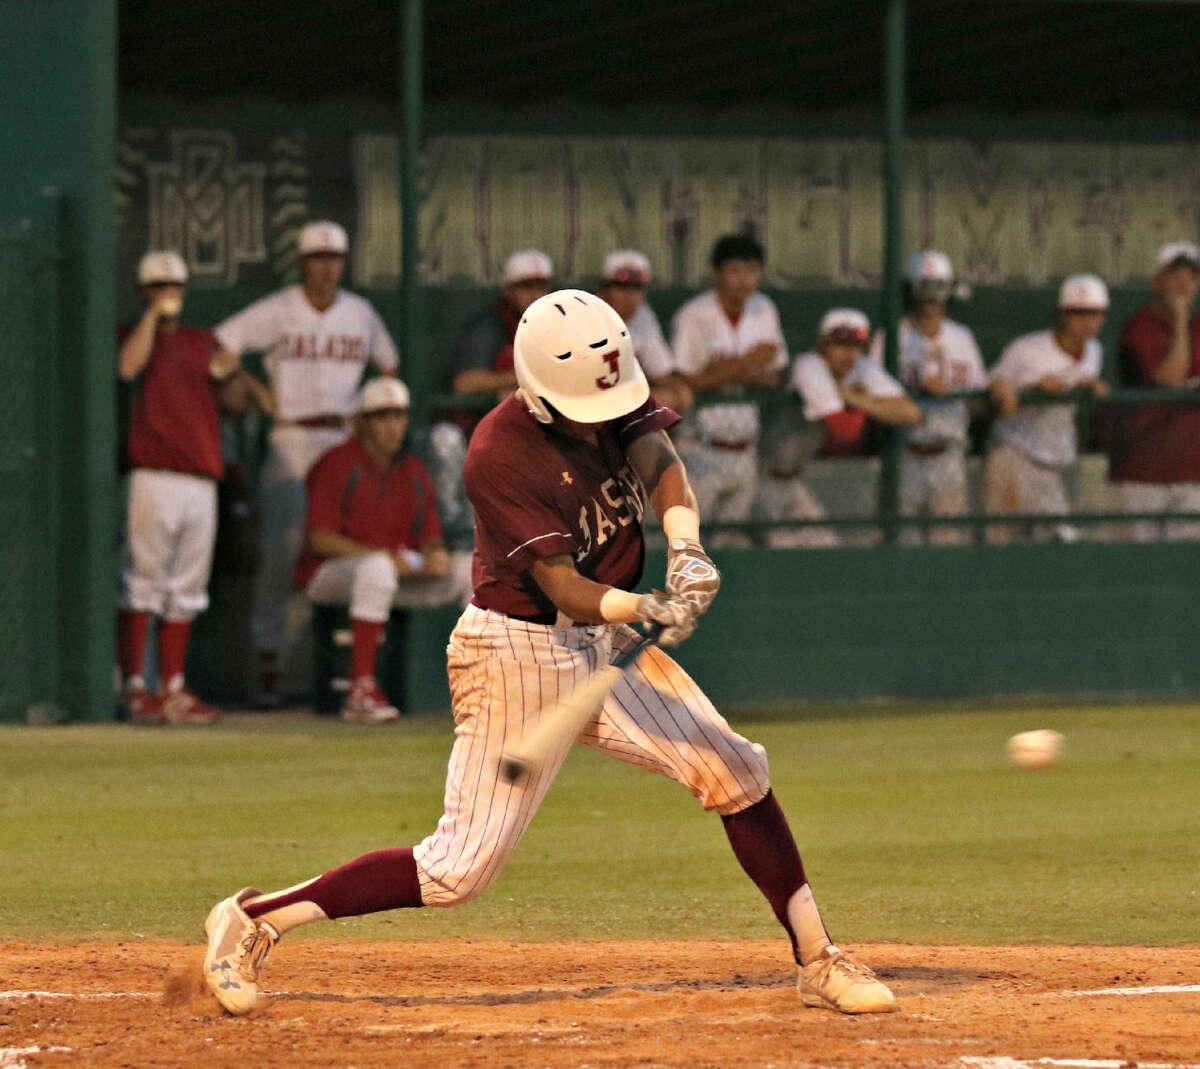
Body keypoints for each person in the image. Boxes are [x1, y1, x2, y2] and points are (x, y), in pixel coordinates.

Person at [202, 289, 897, 1019]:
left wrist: (686, 549)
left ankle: (818, 958)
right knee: (454, 871)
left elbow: (658, 457)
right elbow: (563, 586)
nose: (604, 419)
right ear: (536, 392)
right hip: (516, 650)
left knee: (735, 768)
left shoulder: (601, 378)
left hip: (600, 640)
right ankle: (255, 916)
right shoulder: (498, 455)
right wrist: (643, 605)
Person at [215, 221, 400, 707]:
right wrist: (255, 390)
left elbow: (389, 364)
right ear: (302, 262)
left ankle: (346, 669)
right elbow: (220, 343)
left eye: (334, 256)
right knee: (281, 552)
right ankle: (270, 665)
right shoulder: (279, 309)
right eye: (318, 256)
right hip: (291, 439)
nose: (327, 265)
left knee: (349, 546)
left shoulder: (360, 312)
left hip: (343, 438)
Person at [116, 251, 271, 725]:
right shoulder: (132, 332)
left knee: (185, 587)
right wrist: (151, 315)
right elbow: (127, 368)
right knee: (142, 582)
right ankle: (134, 687)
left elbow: (257, 403)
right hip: (152, 475)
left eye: (175, 287)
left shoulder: (202, 341)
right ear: (144, 291)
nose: (169, 294)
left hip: (201, 480)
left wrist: (235, 370)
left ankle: (173, 688)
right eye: (159, 287)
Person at [296, 377, 462, 724]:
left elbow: (429, 534)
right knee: (376, 569)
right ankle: (361, 689)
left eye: (399, 416)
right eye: (383, 417)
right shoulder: (338, 463)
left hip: (396, 575)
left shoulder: (414, 471)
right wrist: (385, 559)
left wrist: (435, 554)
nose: (393, 425)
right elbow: (320, 540)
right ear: (363, 423)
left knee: (467, 571)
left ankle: (487, 682)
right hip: (329, 575)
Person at [763, 309, 920, 547]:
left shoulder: (861, 367)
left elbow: (912, 414)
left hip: (796, 481)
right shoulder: (809, 366)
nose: (849, 354)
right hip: (763, 480)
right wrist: (868, 401)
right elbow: (846, 431)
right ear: (823, 344)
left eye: (855, 345)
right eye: (840, 344)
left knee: (825, 545)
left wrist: (853, 397)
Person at [670, 234, 788, 544]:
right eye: (734, 271)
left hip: (746, 450)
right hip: (699, 447)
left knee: (726, 546)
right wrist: (748, 362)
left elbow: (775, 376)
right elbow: (684, 380)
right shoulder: (693, 314)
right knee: (686, 545)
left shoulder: (764, 308)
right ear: (717, 273)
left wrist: (721, 371)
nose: (743, 280)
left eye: (751, 271)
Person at [430, 250, 556, 535]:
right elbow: (465, 383)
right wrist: (523, 378)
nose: (534, 294)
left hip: (529, 437)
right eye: (525, 287)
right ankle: (454, 534)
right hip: (475, 433)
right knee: (444, 441)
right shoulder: (489, 326)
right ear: (507, 290)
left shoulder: (557, 328)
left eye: (540, 286)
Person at [868, 251, 988, 545]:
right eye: (925, 290)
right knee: (900, 547)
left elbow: (981, 403)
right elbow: (870, 397)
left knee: (948, 548)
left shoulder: (962, 337)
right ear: (911, 290)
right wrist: (912, 390)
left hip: (948, 454)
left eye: (938, 291)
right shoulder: (889, 337)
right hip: (903, 454)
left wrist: (952, 396)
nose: (931, 301)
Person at [985, 274, 1111, 543]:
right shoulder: (1028, 349)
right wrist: (1030, 390)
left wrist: (1089, 387)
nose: (1088, 321)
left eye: (1095, 313)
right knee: (1000, 547)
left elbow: (1080, 380)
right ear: (1063, 314)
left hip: (1054, 464)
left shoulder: (1095, 352)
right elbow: (992, 383)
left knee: (1062, 542)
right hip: (1014, 454)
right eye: (1078, 313)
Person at [1108, 241, 1200, 541]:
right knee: (1135, 566)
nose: (1185, 282)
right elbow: (1170, 380)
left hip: (1190, 470)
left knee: (1186, 568)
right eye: (1175, 274)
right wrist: (1180, 321)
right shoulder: (1138, 327)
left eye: (1192, 276)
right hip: (1142, 471)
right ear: (1156, 280)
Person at [598, 249, 693, 414]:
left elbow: (662, 373)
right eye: (622, 287)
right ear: (605, 289)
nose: (630, 295)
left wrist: (678, 389)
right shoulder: (590, 313)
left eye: (636, 288)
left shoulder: (643, 315)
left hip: (627, 404)